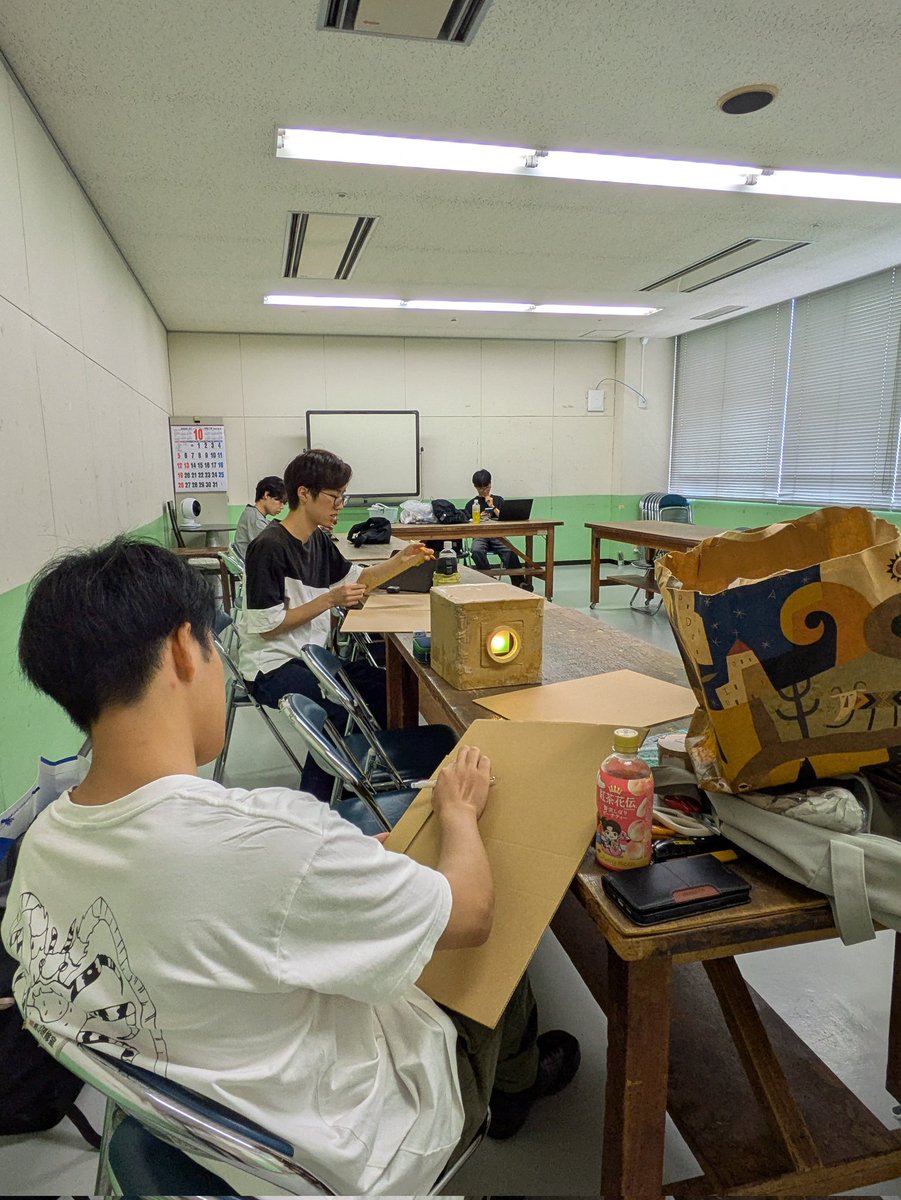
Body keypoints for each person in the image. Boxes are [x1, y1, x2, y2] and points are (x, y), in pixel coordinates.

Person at [3, 538, 580, 1195]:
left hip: (208, 1122)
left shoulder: (42, 846)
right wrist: (456, 814)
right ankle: (513, 1087)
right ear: (185, 650)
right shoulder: (267, 836)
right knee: (506, 916)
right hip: (359, 1140)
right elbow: (470, 913)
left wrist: (344, 863)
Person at [238, 448, 432, 800]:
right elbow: (268, 626)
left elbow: (359, 580)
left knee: (389, 689)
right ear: (303, 493)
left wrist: (403, 561)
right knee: (337, 717)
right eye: (334, 496)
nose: (340, 504)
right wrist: (329, 599)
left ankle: (379, 781)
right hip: (273, 666)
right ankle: (323, 807)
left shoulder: (318, 541)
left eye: (343, 496)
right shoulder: (267, 547)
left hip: (311, 657)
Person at [463, 469, 533, 590]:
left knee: (510, 551)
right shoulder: (471, 504)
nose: (484, 491)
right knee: (476, 550)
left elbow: (505, 518)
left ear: (490, 485)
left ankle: (519, 582)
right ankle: (488, 578)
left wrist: (493, 506)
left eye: (486, 487)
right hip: (480, 536)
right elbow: (467, 523)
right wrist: (477, 518)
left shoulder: (499, 500)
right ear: (475, 487)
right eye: (480, 488)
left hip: (498, 536)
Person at [232, 475, 287, 560]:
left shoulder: (253, 514)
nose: (282, 507)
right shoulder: (255, 520)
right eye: (279, 501)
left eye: (284, 503)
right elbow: (270, 547)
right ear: (266, 495)